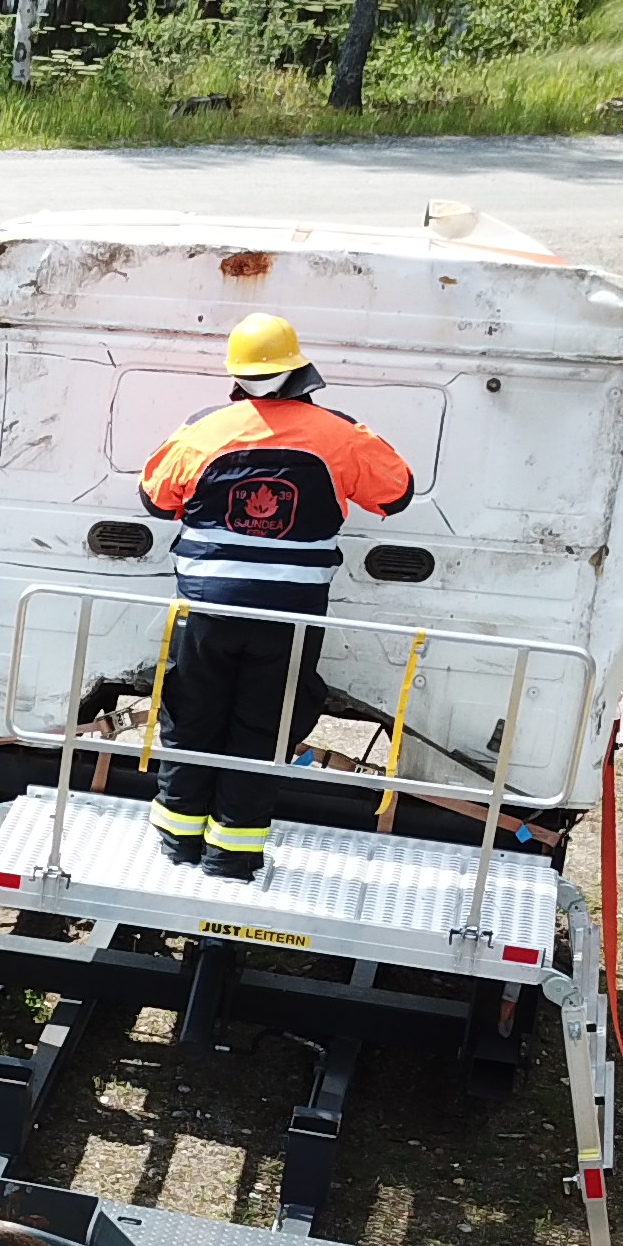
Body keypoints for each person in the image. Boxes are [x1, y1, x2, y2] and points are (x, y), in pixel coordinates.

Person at [134, 313, 417, 883]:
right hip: (289, 616)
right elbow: (398, 491)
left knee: (191, 718)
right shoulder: (339, 433)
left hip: (208, 611)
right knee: (263, 726)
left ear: (235, 376)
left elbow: (155, 499)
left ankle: (177, 843)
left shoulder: (205, 429)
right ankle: (233, 855)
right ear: (299, 370)